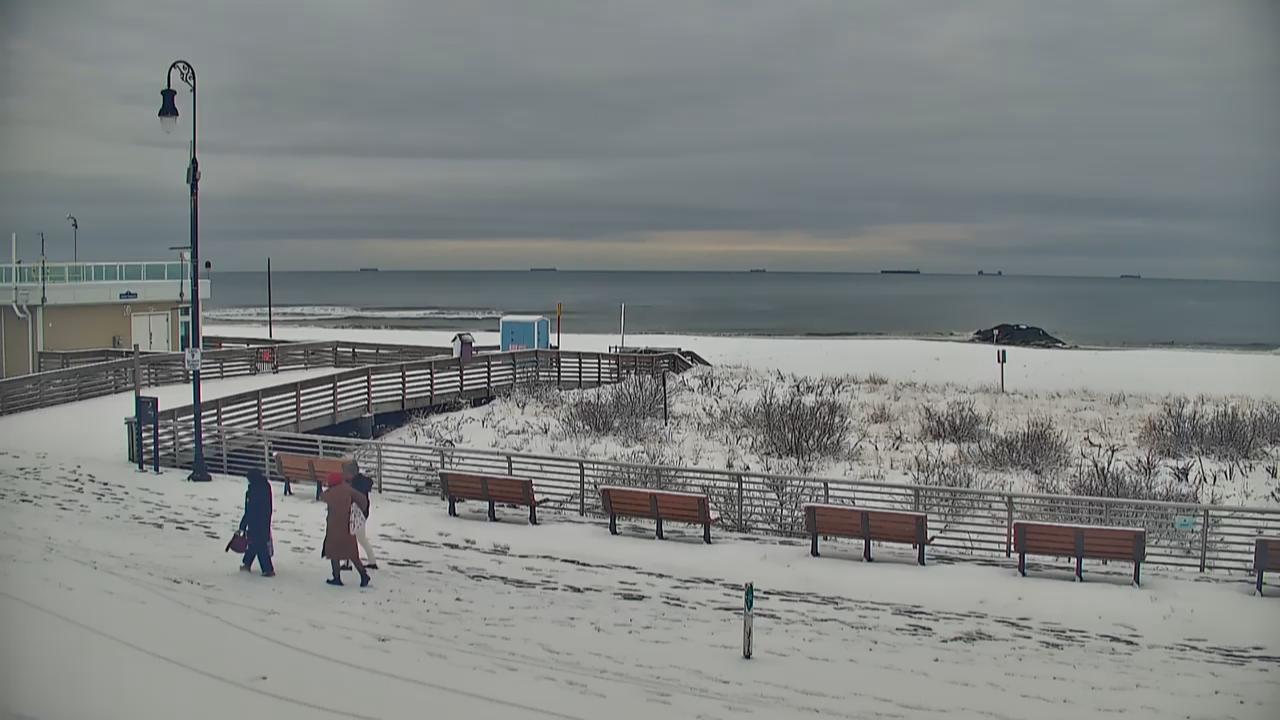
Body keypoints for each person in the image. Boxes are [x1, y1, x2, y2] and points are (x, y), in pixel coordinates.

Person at [321, 471, 370, 587]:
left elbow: (322, 496)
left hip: (334, 527)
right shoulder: (348, 490)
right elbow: (363, 500)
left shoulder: (330, 493)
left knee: (333, 553)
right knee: (352, 554)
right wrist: (359, 509)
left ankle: (336, 577)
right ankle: (363, 575)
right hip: (348, 526)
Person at [239, 468, 275, 577]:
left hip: (255, 521)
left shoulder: (253, 491)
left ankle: (267, 569)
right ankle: (247, 563)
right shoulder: (265, 487)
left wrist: (243, 523)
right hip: (264, 519)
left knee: (259, 544)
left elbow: (250, 509)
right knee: (255, 542)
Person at [345, 460, 378, 570]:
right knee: (360, 538)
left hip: (356, 514)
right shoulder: (362, 481)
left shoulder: (354, 484)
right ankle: (371, 561)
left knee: (352, 538)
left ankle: (348, 563)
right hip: (362, 513)